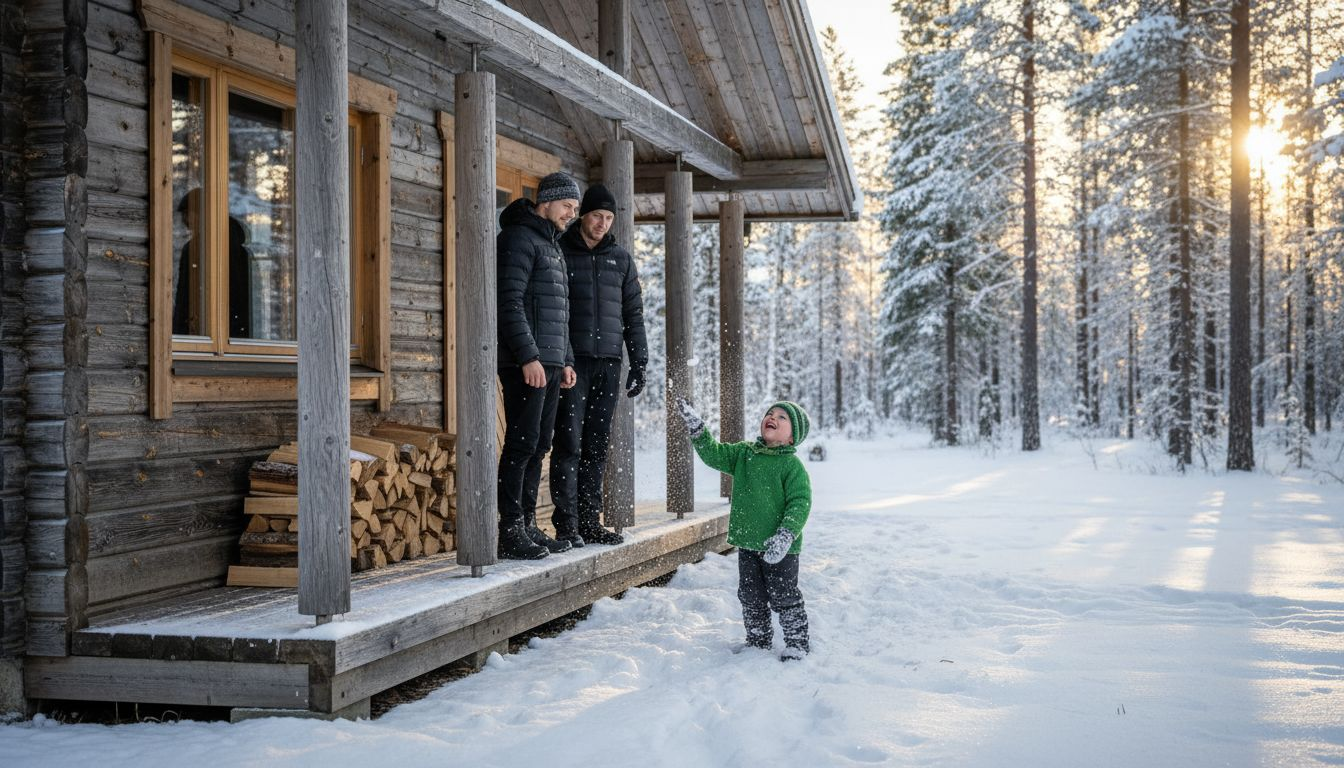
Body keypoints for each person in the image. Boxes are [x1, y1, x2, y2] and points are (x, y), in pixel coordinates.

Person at [549, 184, 649, 548]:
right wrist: (561, 358)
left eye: (608, 218)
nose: (602, 224)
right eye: (596, 216)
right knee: (569, 444)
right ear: (583, 215)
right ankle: (567, 525)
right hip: (572, 364)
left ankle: (590, 522)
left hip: (609, 363)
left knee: (596, 445)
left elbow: (633, 314)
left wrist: (638, 361)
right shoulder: (561, 251)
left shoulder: (620, 259)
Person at [677, 397, 814, 661]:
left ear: (791, 437)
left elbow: (800, 502)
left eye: (782, 417)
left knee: (785, 596)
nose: (772, 417)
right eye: (770, 413)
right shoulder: (744, 454)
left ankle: (797, 642)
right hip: (749, 544)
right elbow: (714, 454)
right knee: (750, 596)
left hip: (780, 548)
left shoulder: (791, 466)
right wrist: (698, 430)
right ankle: (758, 639)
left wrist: (786, 534)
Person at [495, 172, 581, 560]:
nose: (572, 215)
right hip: (524, 363)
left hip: (548, 363)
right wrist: (529, 357)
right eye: (567, 206)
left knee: (540, 444)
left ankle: (528, 524)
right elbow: (509, 302)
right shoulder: (518, 238)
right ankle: (510, 530)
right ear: (546, 201)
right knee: (521, 444)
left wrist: (564, 360)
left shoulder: (552, 245)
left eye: (575, 209)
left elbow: (558, 314)